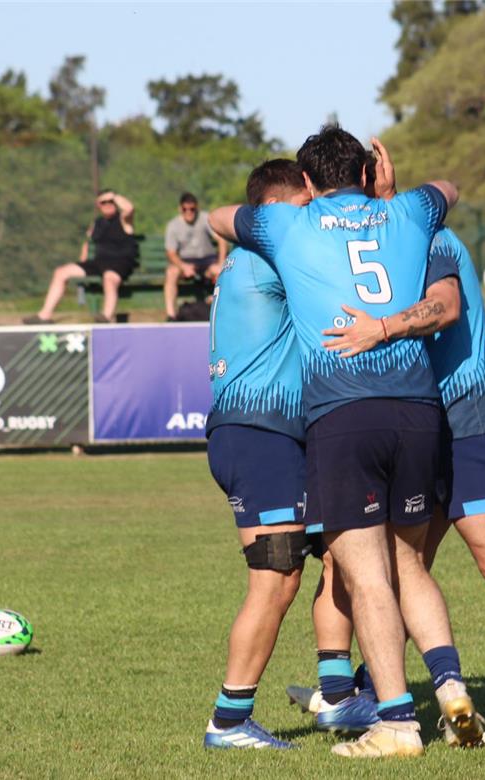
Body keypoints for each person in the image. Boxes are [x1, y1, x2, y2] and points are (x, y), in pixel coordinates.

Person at [209, 125, 475, 759]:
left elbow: (227, 218)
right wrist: (379, 200)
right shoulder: (371, 220)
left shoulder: (283, 235)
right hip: (290, 429)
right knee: (291, 577)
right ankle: (230, 718)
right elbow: (447, 189)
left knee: (347, 565)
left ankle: (355, 702)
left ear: (309, 181)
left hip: (322, 424)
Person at [299, 225, 485, 747]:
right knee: (402, 567)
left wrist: (379, 329)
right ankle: (408, 691)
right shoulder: (389, 241)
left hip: (465, 413)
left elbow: (444, 307)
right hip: (422, 421)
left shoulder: (427, 238)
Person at [201, 161, 312, 750]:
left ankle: (342, 691)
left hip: (260, 432)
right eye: (304, 205)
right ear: (271, 212)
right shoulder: (273, 254)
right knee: (275, 576)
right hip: (259, 432)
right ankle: (229, 720)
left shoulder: (247, 255)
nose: (311, 217)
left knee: (333, 557)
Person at [24, 189, 137, 324]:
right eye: (103, 202)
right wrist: (82, 264)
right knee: (61, 272)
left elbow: (129, 208)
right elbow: (87, 244)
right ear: (98, 205)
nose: (107, 204)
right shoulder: (97, 223)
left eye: (111, 201)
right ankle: (44, 316)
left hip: (119, 262)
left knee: (109, 278)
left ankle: (105, 317)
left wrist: (114, 195)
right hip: (99, 262)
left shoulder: (124, 220)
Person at [163, 193, 228, 321]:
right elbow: (170, 252)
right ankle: (171, 315)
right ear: (180, 209)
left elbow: (221, 240)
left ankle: (224, 312)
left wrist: (221, 262)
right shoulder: (173, 225)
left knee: (223, 271)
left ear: (196, 208)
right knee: (171, 272)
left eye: (192, 209)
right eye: (185, 209)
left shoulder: (205, 218)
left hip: (208, 260)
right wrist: (183, 266)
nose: (189, 212)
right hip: (186, 262)